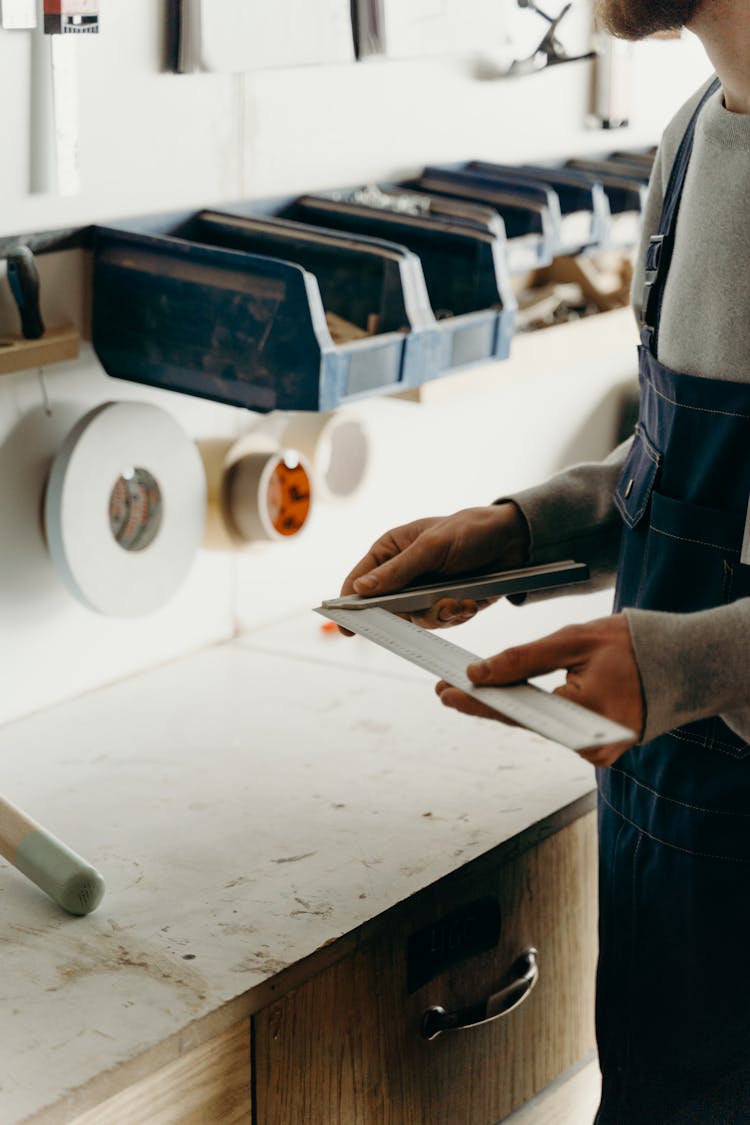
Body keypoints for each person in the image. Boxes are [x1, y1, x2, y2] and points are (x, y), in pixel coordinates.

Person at [338, 1, 750, 1120]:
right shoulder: (697, 137)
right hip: (673, 853)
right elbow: (689, 475)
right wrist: (521, 531)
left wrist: (687, 668)